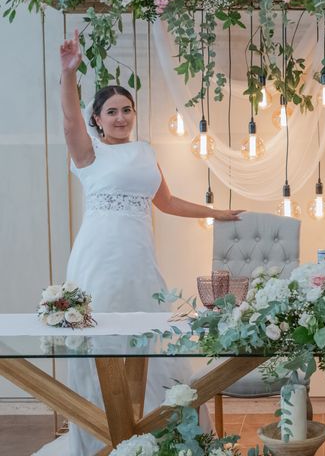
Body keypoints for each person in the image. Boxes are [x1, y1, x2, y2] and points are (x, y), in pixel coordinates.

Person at [41, 30, 244, 456]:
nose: (120, 117)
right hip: (99, 257)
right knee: (103, 343)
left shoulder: (147, 152)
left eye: (127, 110)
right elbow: (68, 120)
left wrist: (217, 213)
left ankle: (160, 438)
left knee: (150, 339)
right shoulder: (88, 154)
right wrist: (68, 73)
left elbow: (166, 202)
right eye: (111, 111)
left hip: (139, 257)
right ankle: (102, 437)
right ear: (97, 119)